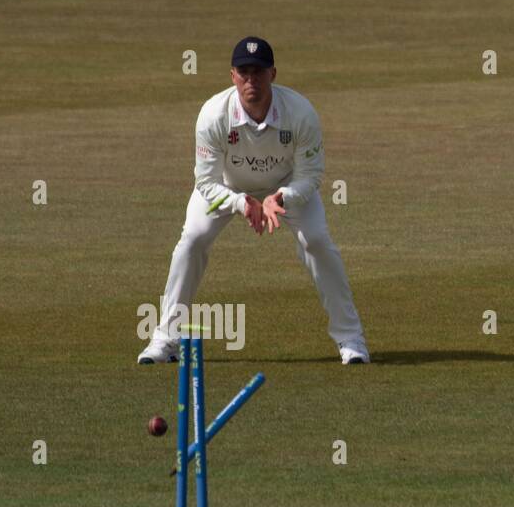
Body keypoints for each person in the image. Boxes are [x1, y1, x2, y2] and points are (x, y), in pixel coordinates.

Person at [138, 37, 369, 364]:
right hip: (227, 188)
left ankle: (352, 341)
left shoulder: (300, 113)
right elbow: (205, 181)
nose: (252, 80)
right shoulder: (213, 115)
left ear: (273, 73)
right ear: (232, 75)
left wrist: (282, 197)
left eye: (259, 72)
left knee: (316, 241)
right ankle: (164, 341)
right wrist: (240, 203)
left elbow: (311, 176)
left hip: (286, 186)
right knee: (192, 240)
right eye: (244, 72)